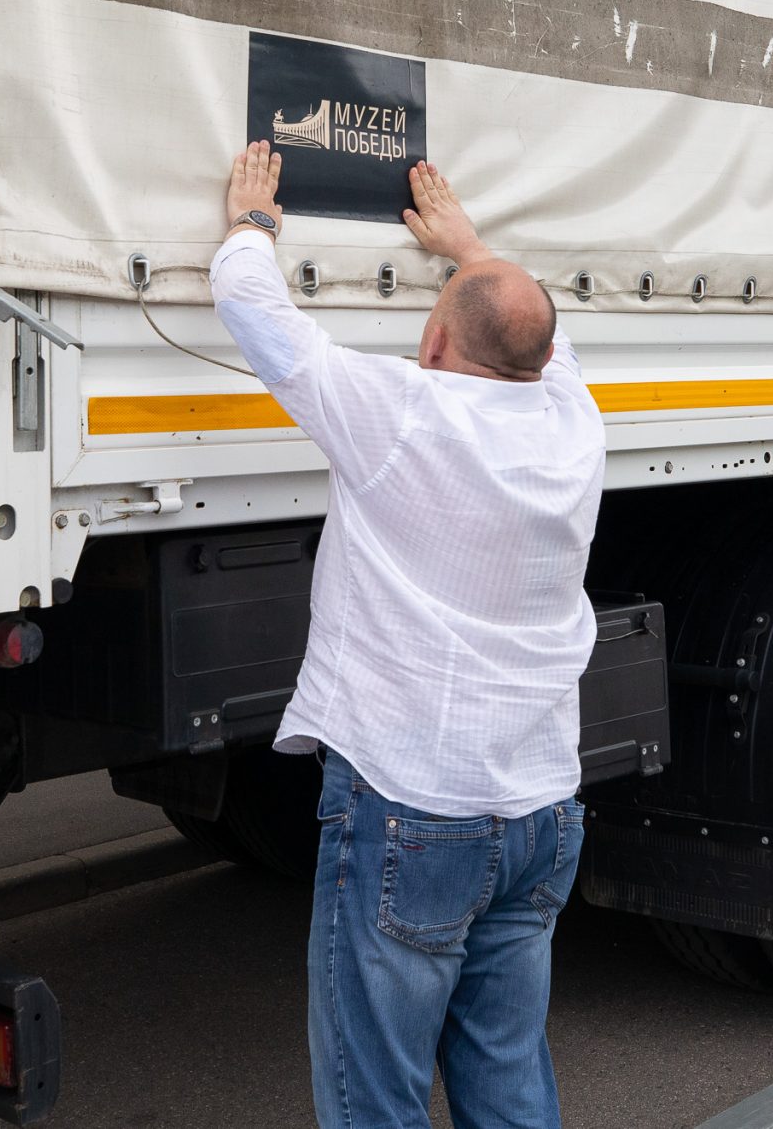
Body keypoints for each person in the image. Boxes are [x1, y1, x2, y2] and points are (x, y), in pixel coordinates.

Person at [208, 142, 606, 1129]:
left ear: (431, 345)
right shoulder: (576, 425)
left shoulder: (401, 415)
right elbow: (535, 336)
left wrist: (252, 223)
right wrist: (470, 248)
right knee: (508, 1080)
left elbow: (254, 308)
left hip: (415, 807)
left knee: (374, 1101)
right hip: (541, 813)